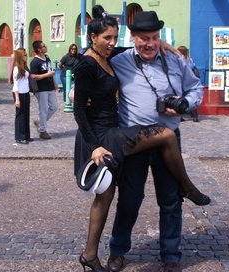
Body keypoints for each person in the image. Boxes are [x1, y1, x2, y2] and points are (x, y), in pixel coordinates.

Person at [73, 6, 208, 272]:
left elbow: (195, 89)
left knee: (170, 201)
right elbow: (88, 77)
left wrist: (184, 104)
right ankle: (118, 251)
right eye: (144, 38)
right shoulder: (119, 59)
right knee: (130, 200)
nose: (150, 43)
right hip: (131, 142)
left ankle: (171, 256)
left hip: (167, 142)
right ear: (132, 37)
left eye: (155, 37)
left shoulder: (176, 59)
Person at [30, 40, 58, 140]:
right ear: (39, 49)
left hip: (50, 86)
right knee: (43, 109)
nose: (45, 47)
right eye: (43, 46)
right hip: (41, 88)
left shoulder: (47, 58)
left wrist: (54, 82)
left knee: (54, 106)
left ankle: (39, 121)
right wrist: (46, 75)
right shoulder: (35, 62)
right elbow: (33, 76)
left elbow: (50, 71)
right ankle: (42, 130)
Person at [10, 48, 33, 144]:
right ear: (20, 56)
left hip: (26, 92)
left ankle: (26, 135)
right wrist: (17, 99)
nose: (26, 57)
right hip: (19, 93)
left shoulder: (24, 67)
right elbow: (15, 85)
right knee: (20, 115)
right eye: (24, 55)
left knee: (26, 114)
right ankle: (19, 136)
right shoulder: (16, 68)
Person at [178, 45, 200, 122]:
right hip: (190, 82)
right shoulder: (190, 60)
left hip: (181, 82)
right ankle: (195, 116)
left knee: (179, 99)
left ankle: (180, 117)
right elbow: (193, 68)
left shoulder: (179, 59)